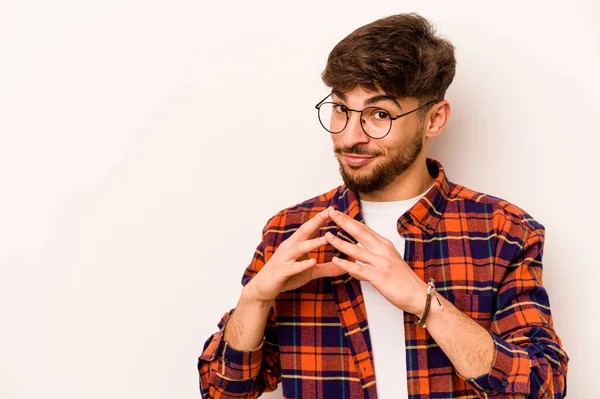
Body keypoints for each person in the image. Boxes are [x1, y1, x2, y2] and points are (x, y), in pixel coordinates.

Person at [198, 13, 568, 399]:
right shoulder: (291, 230)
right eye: (341, 109)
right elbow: (223, 392)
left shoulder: (503, 231)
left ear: (434, 119)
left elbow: (542, 389)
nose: (350, 136)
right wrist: (255, 300)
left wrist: (422, 301)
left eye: (379, 114)